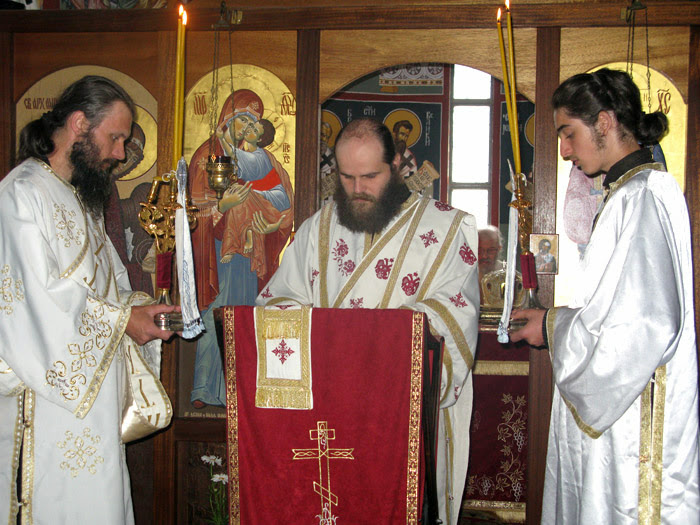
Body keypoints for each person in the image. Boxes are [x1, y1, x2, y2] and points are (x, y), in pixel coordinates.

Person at [256, 118, 480, 525]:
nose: (357, 189)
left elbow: (455, 312)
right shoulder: (317, 228)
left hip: (403, 419)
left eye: (370, 176)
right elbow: (279, 300)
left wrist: (372, 343)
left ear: (395, 166)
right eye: (347, 177)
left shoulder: (447, 228)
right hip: (329, 415)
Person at [511, 68, 700, 523]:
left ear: (605, 122)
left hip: (633, 419)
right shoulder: (629, 193)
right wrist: (556, 321)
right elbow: (615, 308)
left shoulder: (643, 197)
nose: (564, 150)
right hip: (622, 408)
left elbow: (647, 323)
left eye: (568, 133)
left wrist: (553, 327)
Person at [0, 75, 177, 524]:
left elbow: (109, 285)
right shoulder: (22, 193)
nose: (120, 153)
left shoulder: (80, 199)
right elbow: (32, 300)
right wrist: (121, 321)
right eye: (115, 138)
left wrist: (139, 311)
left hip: (92, 404)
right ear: (79, 124)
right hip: (49, 403)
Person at [189, 89, 293, 408]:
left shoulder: (264, 158)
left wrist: (273, 226)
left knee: (244, 317)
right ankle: (204, 389)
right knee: (215, 315)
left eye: (252, 122)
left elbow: (285, 202)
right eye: (242, 119)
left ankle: (240, 391)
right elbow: (193, 208)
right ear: (228, 118)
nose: (247, 127)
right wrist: (223, 205)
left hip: (251, 255)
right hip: (217, 254)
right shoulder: (208, 154)